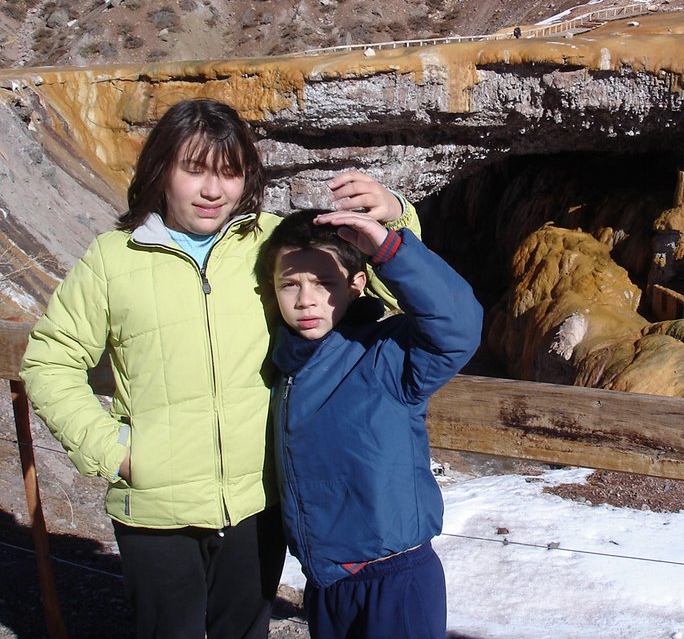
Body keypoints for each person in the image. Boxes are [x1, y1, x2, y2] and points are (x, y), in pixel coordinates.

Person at [19, 98, 419, 639]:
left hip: (258, 502)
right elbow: (50, 361)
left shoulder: (273, 244)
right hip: (158, 509)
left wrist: (396, 213)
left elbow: (390, 291)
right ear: (162, 170)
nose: (213, 191)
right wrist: (112, 451)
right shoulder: (113, 259)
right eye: (195, 170)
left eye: (230, 173)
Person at [257, 208, 482, 639]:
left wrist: (389, 248)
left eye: (324, 283)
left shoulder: (388, 352)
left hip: (395, 578)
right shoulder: (285, 363)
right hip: (326, 580)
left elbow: (458, 327)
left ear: (355, 284)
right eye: (290, 284)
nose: (306, 300)